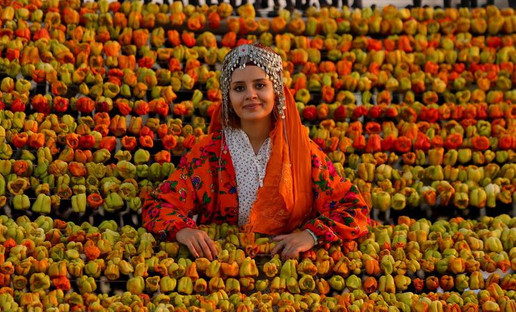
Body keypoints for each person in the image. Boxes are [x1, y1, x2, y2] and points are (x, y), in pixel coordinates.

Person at [142, 43, 371, 261]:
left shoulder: (302, 150)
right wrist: (183, 230)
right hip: (221, 274)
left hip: (290, 276)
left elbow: (354, 208)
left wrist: (310, 235)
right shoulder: (209, 152)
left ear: (277, 92)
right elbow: (159, 205)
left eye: (260, 85)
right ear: (228, 97)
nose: (250, 95)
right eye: (239, 88)